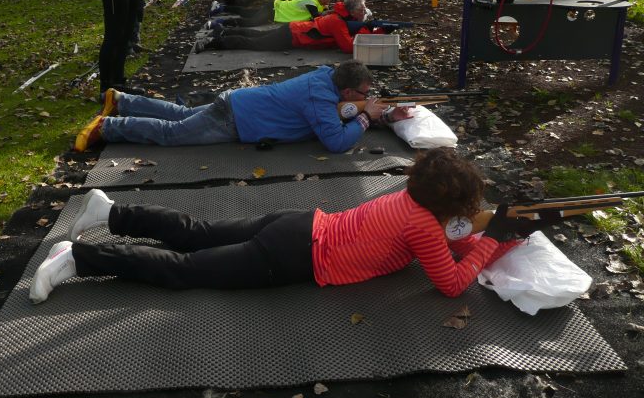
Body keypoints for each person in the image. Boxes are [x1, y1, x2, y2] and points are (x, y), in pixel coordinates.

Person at [29, 148, 545, 304]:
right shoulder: (427, 229)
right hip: (292, 257)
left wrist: (479, 236)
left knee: (198, 232)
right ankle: (78, 256)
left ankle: (110, 212)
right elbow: (451, 284)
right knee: (186, 268)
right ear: (447, 208)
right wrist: (490, 242)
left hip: (297, 223)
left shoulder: (407, 198)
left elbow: (445, 243)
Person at [73, 60, 412, 153]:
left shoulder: (327, 78)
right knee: (173, 134)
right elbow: (336, 142)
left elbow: (347, 114)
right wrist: (368, 116)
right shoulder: (319, 99)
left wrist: (384, 117)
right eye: (363, 94)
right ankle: (109, 127)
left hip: (236, 107)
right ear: (348, 90)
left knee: (178, 115)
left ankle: (121, 101)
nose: (366, 98)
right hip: (233, 119)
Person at [196, 0, 380, 54]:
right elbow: (348, 46)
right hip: (292, 35)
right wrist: (366, 30)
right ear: (353, 11)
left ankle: (222, 31)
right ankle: (214, 42)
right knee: (254, 43)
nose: (364, 13)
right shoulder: (337, 21)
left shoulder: (339, 17)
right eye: (362, 10)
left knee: (257, 36)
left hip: (292, 30)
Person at [205, 0, 334, 29]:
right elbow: (316, 17)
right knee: (252, 22)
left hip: (275, 8)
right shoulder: (310, 2)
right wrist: (331, 12)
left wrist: (327, 9)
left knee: (248, 13)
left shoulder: (317, 2)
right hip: (274, 10)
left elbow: (320, 11)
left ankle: (221, 8)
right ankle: (219, 22)